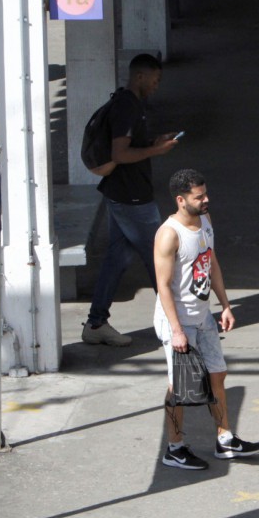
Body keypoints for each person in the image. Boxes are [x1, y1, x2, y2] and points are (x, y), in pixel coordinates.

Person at [154, 169, 259, 470]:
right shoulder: (169, 234)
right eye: (198, 196)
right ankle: (174, 448)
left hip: (202, 317)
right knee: (180, 386)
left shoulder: (205, 221)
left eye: (205, 193)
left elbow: (211, 262)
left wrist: (225, 305)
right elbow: (163, 285)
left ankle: (225, 439)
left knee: (217, 374)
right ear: (181, 200)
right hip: (178, 322)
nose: (206, 199)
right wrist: (176, 331)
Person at [82, 53, 180, 346]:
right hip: (131, 197)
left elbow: (129, 146)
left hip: (121, 192)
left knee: (117, 259)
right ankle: (179, 324)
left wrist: (153, 142)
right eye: (155, 79)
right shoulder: (128, 107)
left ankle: (96, 323)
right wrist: (156, 152)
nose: (156, 86)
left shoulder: (129, 103)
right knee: (160, 257)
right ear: (140, 76)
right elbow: (120, 154)